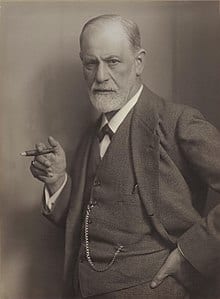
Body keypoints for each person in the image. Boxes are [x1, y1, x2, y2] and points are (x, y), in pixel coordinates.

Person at [30, 15, 220, 299]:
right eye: (90, 63)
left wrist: (189, 255)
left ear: (139, 62)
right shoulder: (90, 136)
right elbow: (87, 219)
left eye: (113, 61)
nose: (101, 76)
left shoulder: (177, 121)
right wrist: (57, 181)